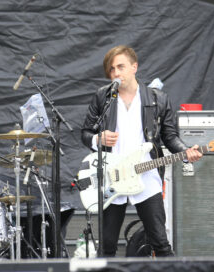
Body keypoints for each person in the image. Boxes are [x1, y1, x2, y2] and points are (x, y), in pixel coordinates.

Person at [81, 45, 202, 257]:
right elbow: (85, 132)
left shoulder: (158, 99)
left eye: (121, 67)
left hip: (146, 175)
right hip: (112, 176)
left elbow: (170, 136)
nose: (116, 73)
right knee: (107, 246)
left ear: (134, 67)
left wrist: (185, 152)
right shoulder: (103, 97)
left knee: (160, 242)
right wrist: (96, 138)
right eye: (111, 69)